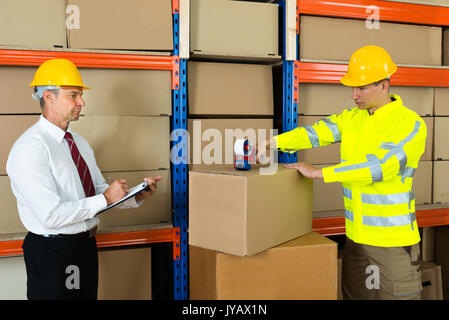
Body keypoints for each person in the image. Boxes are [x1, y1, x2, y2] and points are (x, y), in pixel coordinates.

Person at [257, 45, 426, 300]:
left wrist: (321, 173)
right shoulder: (353, 119)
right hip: (356, 239)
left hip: (393, 243)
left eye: (361, 87)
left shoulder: (409, 124)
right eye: (352, 88)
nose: (354, 95)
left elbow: (378, 167)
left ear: (384, 85)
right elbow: (315, 134)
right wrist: (271, 142)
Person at [6, 58, 162, 300]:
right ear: (48, 97)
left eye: (80, 95)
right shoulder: (30, 149)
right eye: (73, 95)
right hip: (54, 252)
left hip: (84, 247)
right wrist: (105, 197)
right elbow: (50, 215)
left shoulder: (78, 144)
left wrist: (135, 195)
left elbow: (97, 192)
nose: (82, 102)